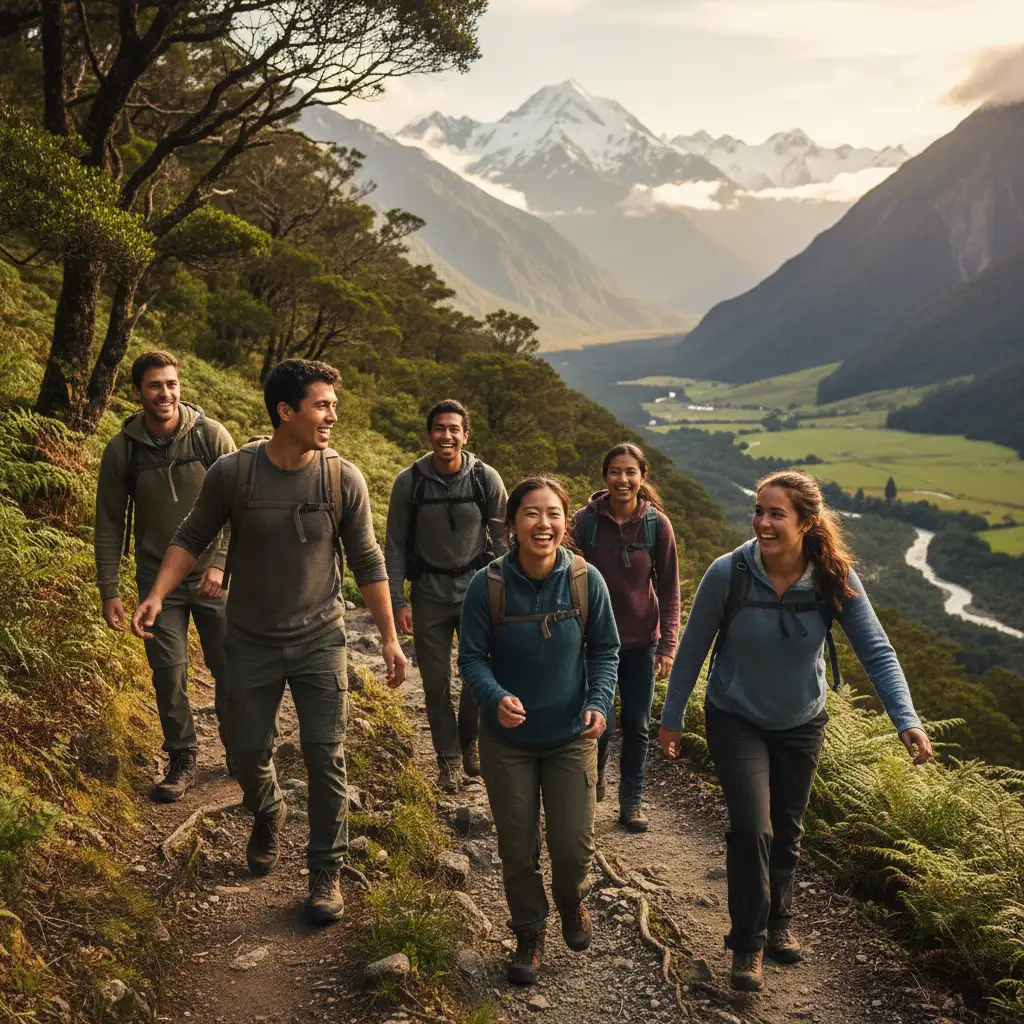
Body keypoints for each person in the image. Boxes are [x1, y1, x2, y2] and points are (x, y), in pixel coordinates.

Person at [131, 359, 407, 925]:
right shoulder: (234, 474)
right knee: (245, 751)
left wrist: (388, 639)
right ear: (286, 411)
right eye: (322, 404)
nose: (334, 414)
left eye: (334, 403)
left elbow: (368, 561)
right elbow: (191, 536)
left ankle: (324, 871)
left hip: (321, 639)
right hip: (250, 641)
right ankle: (268, 808)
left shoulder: (342, 479)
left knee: (325, 755)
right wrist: (158, 593)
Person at [658, 470, 933, 992]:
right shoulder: (728, 573)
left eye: (775, 513)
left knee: (786, 829)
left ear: (806, 523)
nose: (761, 522)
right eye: (758, 511)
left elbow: (877, 651)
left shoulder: (834, 577)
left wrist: (908, 720)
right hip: (734, 716)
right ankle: (747, 945)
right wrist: (672, 719)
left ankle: (779, 919)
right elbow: (692, 649)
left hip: (801, 721)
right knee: (751, 830)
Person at [458, 476, 619, 986]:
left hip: (571, 736)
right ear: (512, 523)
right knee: (517, 845)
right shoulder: (488, 585)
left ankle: (571, 900)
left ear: (566, 522)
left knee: (573, 846)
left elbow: (605, 651)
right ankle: (530, 931)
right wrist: (494, 697)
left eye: (553, 514)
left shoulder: (585, 580)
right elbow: (472, 658)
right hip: (507, 743)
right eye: (531, 513)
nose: (542, 524)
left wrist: (598, 702)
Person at [95, 350, 236, 803]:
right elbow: (110, 523)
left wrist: (222, 562)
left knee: (230, 665)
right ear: (137, 393)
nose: (166, 393)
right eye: (155, 385)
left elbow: (242, 504)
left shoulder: (210, 436)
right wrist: (110, 590)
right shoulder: (123, 450)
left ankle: (244, 745)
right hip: (158, 581)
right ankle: (182, 756)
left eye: (171, 384)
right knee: (167, 671)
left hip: (215, 576)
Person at [385, 399, 507, 793]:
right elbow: (394, 546)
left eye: (454, 429)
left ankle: (468, 740)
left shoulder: (485, 478)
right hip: (428, 595)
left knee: (476, 676)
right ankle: (448, 758)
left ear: (466, 435)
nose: (447, 436)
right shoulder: (410, 482)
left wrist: (514, 594)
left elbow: (505, 542)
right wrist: (398, 602)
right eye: (439, 429)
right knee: (435, 682)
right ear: (429, 434)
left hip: (478, 591)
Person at [572, 442, 679, 832]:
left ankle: (631, 801)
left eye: (631, 472)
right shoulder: (584, 522)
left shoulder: (656, 525)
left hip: (640, 642)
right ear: (606, 476)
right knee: (599, 720)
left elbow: (669, 590)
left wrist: (668, 644)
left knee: (637, 724)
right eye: (616, 471)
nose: (623, 479)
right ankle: (594, 777)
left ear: (642, 477)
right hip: (592, 642)